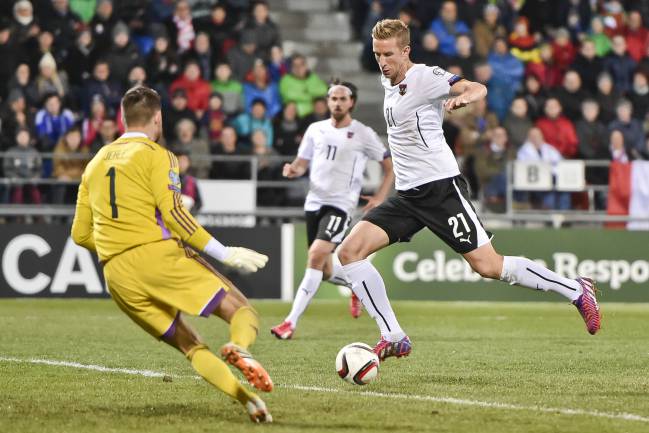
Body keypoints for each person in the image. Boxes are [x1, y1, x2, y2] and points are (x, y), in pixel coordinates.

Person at [335, 19, 601, 362]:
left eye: (388, 54)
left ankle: (577, 290)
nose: (382, 61)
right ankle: (394, 336)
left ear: (406, 51)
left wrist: (464, 99)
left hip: (440, 190)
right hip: (408, 195)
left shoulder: (425, 77)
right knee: (349, 252)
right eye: (376, 54)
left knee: (489, 266)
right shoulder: (388, 81)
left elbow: (477, 88)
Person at [71, 86, 273, 423]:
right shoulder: (157, 154)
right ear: (158, 118)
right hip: (156, 256)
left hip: (117, 275)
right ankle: (240, 347)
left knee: (189, 345)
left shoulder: (93, 163)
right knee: (242, 310)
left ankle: (246, 398)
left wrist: (116, 246)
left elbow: (80, 234)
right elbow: (177, 217)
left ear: (122, 119)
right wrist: (224, 252)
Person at [271, 82, 394, 340]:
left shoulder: (362, 133)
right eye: (333, 98)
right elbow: (302, 163)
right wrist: (293, 170)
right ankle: (355, 285)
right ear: (328, 101)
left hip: (341, 205)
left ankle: (289, 323)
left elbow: (389, 165)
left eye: (342, 98)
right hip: (314, 204)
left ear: (352, 102)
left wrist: (381, 197)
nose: (337, 103)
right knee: (325, 270)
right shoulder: (315, 130)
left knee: (316, 254)